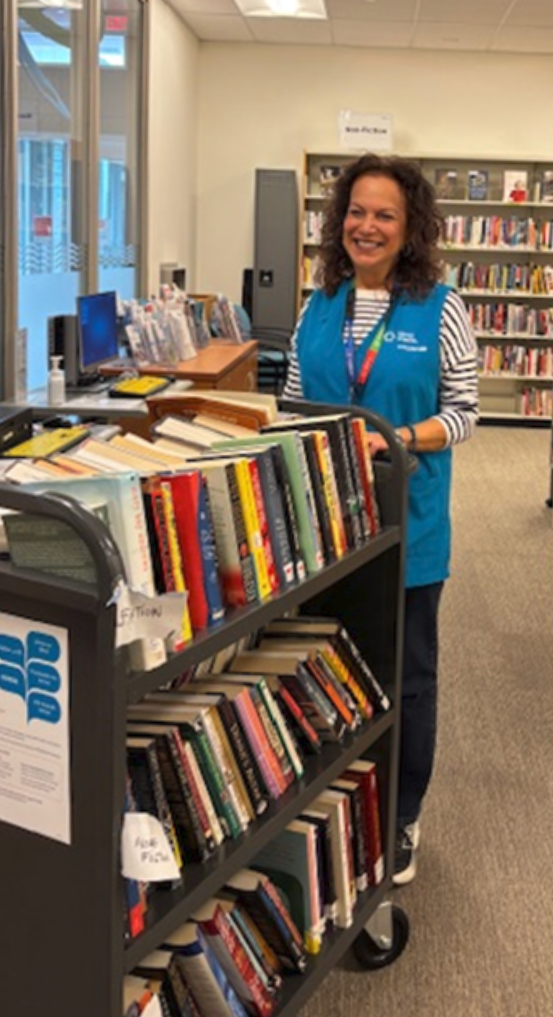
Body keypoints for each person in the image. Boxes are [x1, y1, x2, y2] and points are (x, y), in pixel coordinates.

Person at [286, 152, 475, 887]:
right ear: (340, 222)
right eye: (357, 212)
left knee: (408, 673)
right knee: (326, 657)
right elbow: (298, 398)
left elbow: (464, 411)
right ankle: (330, 801)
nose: (367, 226)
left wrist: (398, 438)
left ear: (410, 227)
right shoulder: (319, 299)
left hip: (407, 520)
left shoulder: (440, 305)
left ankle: (399, 816)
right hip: (320, 523)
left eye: (385, 215)